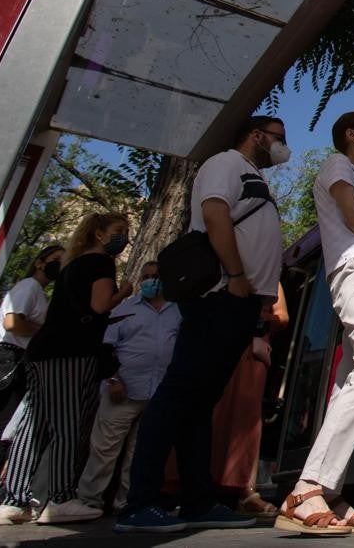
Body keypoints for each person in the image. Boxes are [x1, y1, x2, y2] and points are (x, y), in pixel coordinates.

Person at [116, 116, 289, 534]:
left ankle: (198, 501)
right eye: (278, 138)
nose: (284, 146)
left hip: (241, 302)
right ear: (255, 136)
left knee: (198, 403)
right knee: (178, 395)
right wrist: (236, 275)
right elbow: (214, 215)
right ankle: (140, 503)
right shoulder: (225, 163)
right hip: (220, 295)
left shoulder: (252, 175)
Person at [275, 110, 354, 536]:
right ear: (351, 135)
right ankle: (307, 489)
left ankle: (329, 494)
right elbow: (351, 216)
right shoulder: (337, 165)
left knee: (348, 382)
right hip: (352, 270)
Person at [0, 214, 133, 525]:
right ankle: (61, 498)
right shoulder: (100, 263)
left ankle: (13, 500)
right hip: (71, 352)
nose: (124, 237)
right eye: (118, 230)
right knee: (68, 423)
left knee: (34, 424)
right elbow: (100, 306)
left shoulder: (72, 264)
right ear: (99, 234)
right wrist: (123, 293)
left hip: (43, 352)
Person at [76, 261, 181, 512]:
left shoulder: (178, 311)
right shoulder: (125, 309)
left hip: (157, 394)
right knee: (104, 449)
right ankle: (89, 500)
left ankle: (127, 501)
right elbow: (106, 348)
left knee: (140, 453)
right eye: (146, 276)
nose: (151, 280)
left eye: (156, 275)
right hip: (122, 391)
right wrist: (113, 380)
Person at [0, 245, 63, 517]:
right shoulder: (29, 287)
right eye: (56, 259)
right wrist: (44, 332)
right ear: (40, 262)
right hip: (8, 362)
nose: (60, 265)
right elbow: (13, 323)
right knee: (2, 435)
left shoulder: (34, 291)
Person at [209, 286, 289, 518]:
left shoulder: (270, 279)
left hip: (250, 355)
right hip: (217, 349)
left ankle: (243, 490)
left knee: (245, 421)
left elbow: (282, 317)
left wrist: (253, 313)